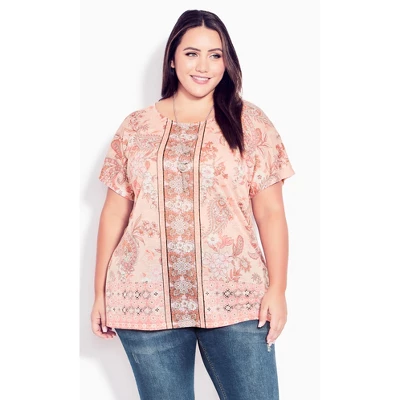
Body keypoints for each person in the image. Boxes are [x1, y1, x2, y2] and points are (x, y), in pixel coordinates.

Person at [91, 9, 295, 400]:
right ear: (172, 58)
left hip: (237, 298)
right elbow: (114, 212)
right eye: (191, 54)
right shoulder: (136, 127)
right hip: (144, 299)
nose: (203, 66)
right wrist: (99, 293)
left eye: (215, 55)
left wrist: (278, 289)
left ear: (226, 61)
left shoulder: (250, 122)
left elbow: (270, 212)